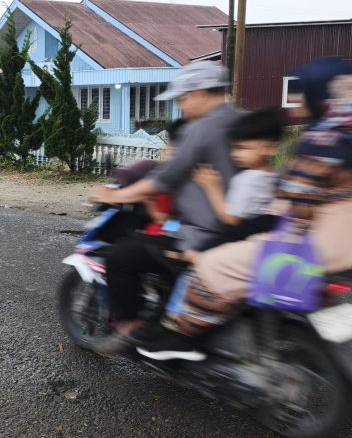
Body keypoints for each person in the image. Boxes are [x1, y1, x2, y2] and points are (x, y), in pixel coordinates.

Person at [137, 57, 352, 361]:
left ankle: (182, 334)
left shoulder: (322, 142)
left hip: (317, 245)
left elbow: (299, 204)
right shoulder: (344, 135)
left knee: (211, 264)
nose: (294, 103)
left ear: (321, 95)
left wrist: (277, 232)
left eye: (299, 94)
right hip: (345, 246)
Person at [90, 62, 243, 354]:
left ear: (198, 93)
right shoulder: (241, 120)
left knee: (120, 257)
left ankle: (132, 329)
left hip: (202, 232)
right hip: (239, 227)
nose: (181, 106)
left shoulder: (201, 128)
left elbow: (163, 179)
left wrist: (114, 197)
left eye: (182, 98)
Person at [172, 108, 282, 263]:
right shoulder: (276, 174)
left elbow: (231, 219)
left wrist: (212, 188)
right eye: (235, 148)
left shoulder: (247, 179)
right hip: (261, 239)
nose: (236, 154)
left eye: (245, 148)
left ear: (270, 148)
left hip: (238, 235)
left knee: (194, 258)